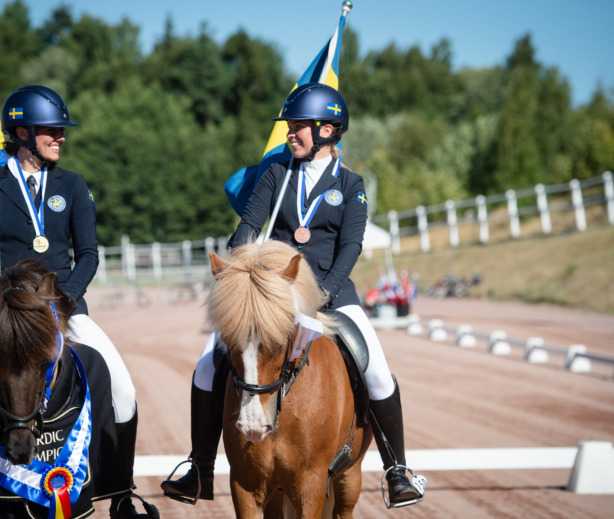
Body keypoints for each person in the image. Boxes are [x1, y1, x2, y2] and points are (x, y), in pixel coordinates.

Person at [160, 83, 425, 508]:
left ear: (326, 130)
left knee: (376, 370)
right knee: (207, 366)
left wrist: (326, 291)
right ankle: (199, 465)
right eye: (290, 125)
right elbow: (247, 227)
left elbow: (350, 247)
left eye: (298, 125)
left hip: (332, 295)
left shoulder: (351, 184)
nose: (290, 132)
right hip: (274, 296)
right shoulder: (276, 175)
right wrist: (243, 268)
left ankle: (398, 469)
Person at [0, 85, 151, 517]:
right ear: (22, 133)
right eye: (52, 130)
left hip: (62, 310)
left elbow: (88, 255)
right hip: (0, 314)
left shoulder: (73, 185)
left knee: (123, 389)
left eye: (61, 130)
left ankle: (120, 494)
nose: (61, 137)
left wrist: (65, 299)